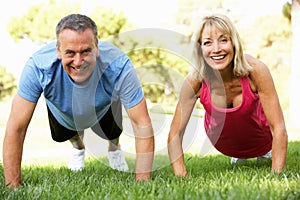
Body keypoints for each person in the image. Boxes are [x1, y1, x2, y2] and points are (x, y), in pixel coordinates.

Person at [3, 14, 154, 188]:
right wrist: (13, 186)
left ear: (96, 48)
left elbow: (142, 123)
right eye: (70, 53)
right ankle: (78, 149)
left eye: (85, 51)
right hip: (63, 111)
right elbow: (16, 128)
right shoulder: (38, 66)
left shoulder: (119, 66)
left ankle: (114, 149)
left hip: (104, 106)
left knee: (112, 133)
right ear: (58, 50)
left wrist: (143, 182)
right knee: (66, 134)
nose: (78, 61)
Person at [167, 13, 288, 177]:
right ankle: (237, 154)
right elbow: (175, 134)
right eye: (207, 42)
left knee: (265, 145)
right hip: (224, 143)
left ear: (234, 43)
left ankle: (264, 152)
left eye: (223, 40)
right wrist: (181, 177)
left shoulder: (256, 70)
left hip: (262, 140)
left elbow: (278, 126)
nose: (216, 49)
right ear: (200, 49)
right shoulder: (195, 80)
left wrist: (277, 174)